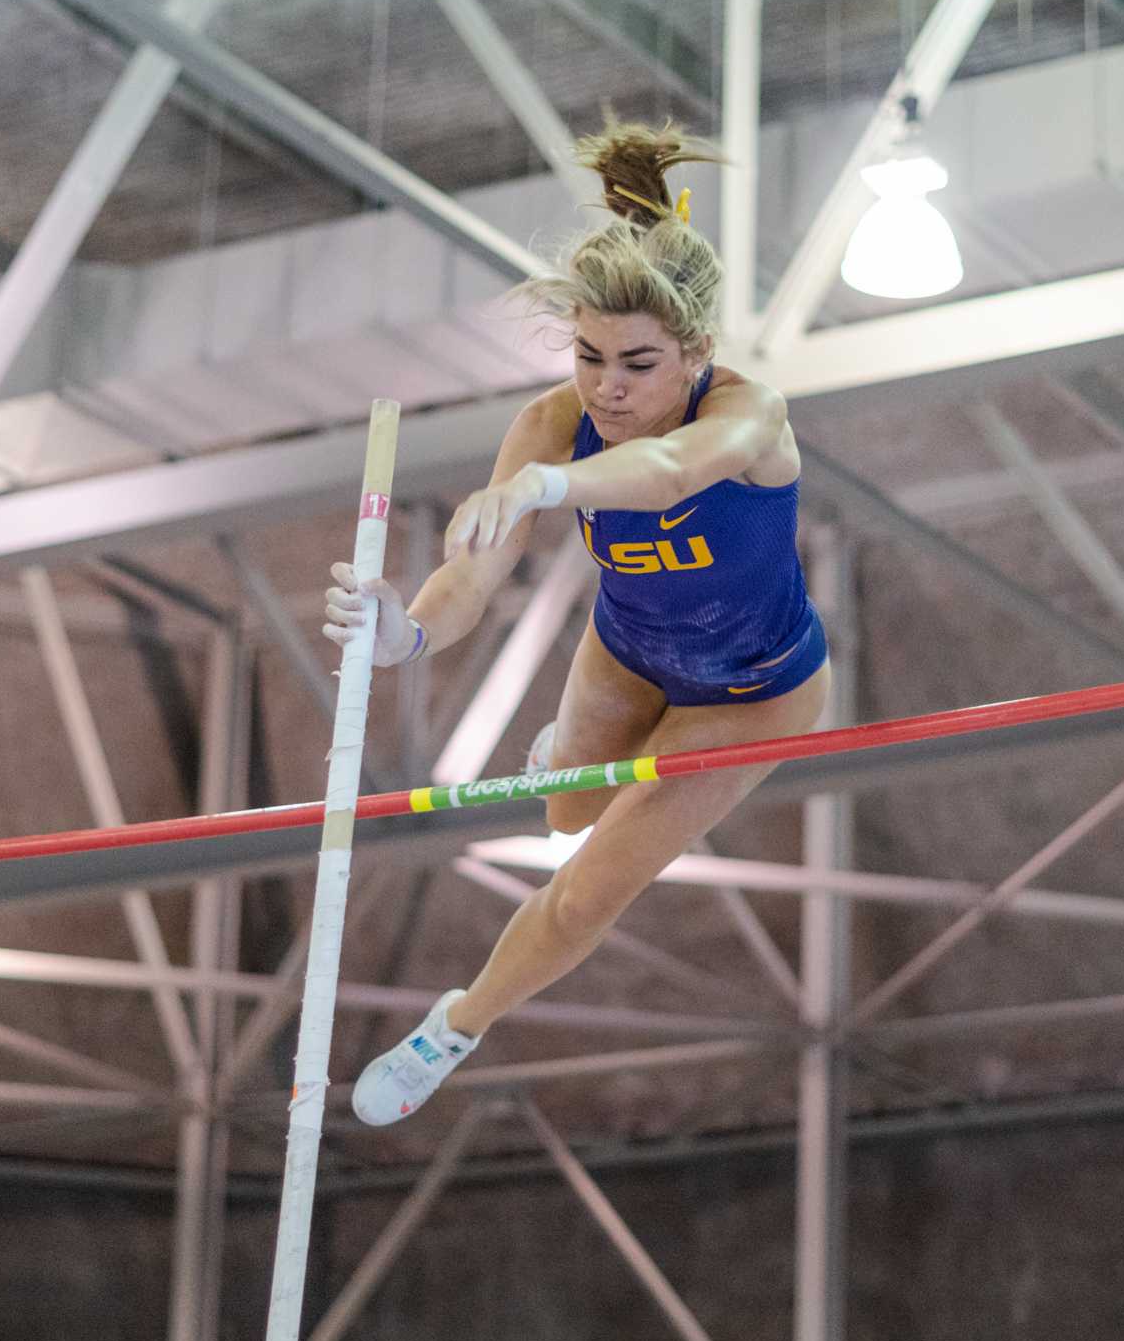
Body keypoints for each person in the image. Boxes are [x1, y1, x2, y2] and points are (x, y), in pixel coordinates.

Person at [322, 121, 832, 1126]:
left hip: (755, 691)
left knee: (590, 889)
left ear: (694, 350)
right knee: (559, 815)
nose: (608, 387)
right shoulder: (556, 420)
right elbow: (474, 569)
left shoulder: (748, 416)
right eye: (591, 357)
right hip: (627, 654)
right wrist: (407, 637)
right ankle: (572, 750)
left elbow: (671, 474)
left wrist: (552, 486)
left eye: (638, 364)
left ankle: (452, 1028)